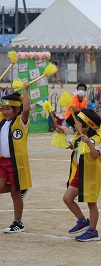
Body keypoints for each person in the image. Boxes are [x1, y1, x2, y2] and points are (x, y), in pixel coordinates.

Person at [60, 108, 101, 241]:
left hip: (91, 177)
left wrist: (88, 143)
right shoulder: (77, 137)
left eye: (78, 123)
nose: (75, 125)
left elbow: (94, 156)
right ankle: (82, 220)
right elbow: (68, 146)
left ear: (87, 126)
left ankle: (93, 231)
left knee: (91, 204)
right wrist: (61, 134)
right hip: (79, 174)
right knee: (67, 198)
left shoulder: (97, 139)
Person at [0, 83, 32, 233]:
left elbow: (26, 109)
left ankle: (18, 223)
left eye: (8, 109)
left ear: (16, 109)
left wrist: (25, 91)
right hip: (2, 162)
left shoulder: (21, 122)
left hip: (16, 164)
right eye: (3, 108)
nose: (5, 112)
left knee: (15, 194)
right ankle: (21, 188)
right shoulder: (2, 121)